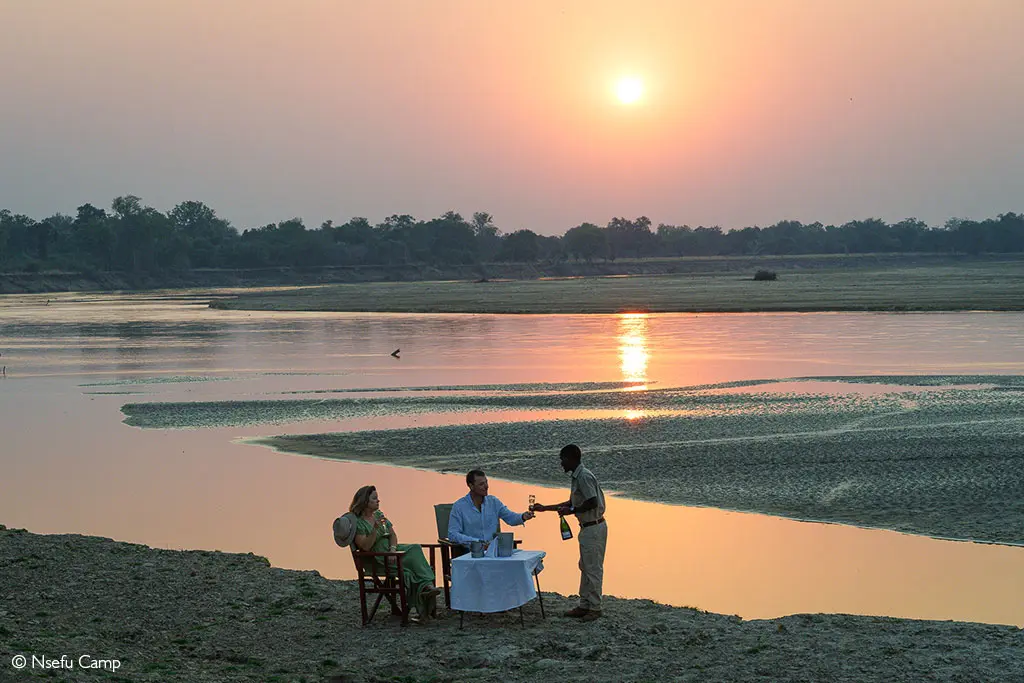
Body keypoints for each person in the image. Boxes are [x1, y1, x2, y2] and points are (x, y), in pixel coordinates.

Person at [532, 444, 607, 622]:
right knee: (585, 566)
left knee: (593, 568)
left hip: (594, 528)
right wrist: (545, 508)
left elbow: (592, 502)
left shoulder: (584, 476)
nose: (561, 463)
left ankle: (595, 608)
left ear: (571, 458)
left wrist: (572, 511)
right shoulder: (577, 477)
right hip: (587, 528)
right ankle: (584, 605)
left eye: (563, 459)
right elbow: (572, 503)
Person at [348, 485, 441, 621]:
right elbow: (366, 547)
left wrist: (392, 550)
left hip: (391, 552)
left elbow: (392, 535)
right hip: (379, 558)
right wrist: (374, 529)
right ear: (365, 501)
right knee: (412, 569)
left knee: (415, 548)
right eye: (374, 498)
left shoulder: (379, 515)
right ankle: (427, 588)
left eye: (377, 498)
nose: (378, 501)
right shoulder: (359, 523)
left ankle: (427, 590)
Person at [448, 469, 535, 550]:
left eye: (486, 482)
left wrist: (523, 516)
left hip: (492, 552)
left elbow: (510, 518)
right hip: (470, 554)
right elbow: (452, 534)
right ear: (471, 486)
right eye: (481, 484)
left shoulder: (493, 502)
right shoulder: (459, 506)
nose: (486, 486)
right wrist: (477, 542)